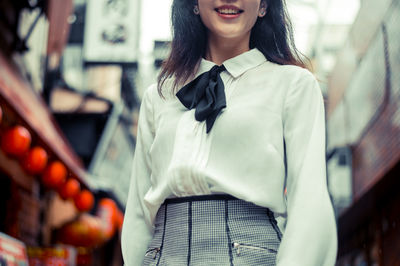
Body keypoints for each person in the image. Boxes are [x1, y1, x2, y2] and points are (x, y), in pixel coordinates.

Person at [122, 0, 338, 265]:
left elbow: (309, 200)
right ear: (193, 5)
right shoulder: (158, 96)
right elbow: (138, 213)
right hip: (163, 255)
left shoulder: (293, 84)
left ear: (263, 7)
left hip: (253, 254)